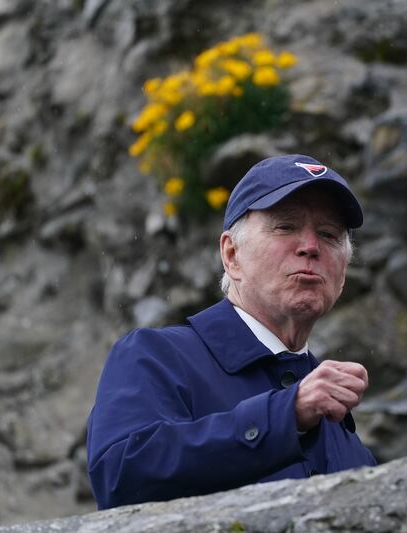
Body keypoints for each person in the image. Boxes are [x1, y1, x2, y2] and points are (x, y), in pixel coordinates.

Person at [86, 154, 376, 509]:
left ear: (343, 275)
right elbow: (122, 476)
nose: (310, 246)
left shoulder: (336, 420)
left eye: (329, 234)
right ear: (232, 254)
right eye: (285, 226)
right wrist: (285, 414)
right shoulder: (158, 356)